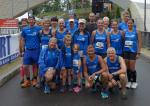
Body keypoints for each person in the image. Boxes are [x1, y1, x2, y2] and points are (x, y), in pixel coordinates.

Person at [20, 16, 41, 88]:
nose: (31, 21)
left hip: (36, 50)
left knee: (35, 65)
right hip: (28, 50)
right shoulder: (25, 29)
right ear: (28, 21)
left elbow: (42, 37)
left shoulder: (38, 28)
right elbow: (22, 39)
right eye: (30, 20)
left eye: (32, 20)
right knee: (25, 66)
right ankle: (28, 80)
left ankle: (34, 79)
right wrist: (22, 50)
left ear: (34, 21)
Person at [124, 18, 142, 89]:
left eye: (131, 23)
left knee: (132, 67)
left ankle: (134, 82)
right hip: (126, 51)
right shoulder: (124, 31)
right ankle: (129, 81)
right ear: (127, 24)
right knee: (127, 67)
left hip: (133, 51)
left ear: (133, 24)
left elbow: (140, 42)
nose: (130, 24)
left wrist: (138, 52)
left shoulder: (137, 32)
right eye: (128, 23)